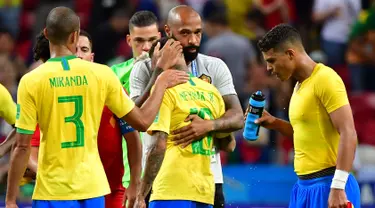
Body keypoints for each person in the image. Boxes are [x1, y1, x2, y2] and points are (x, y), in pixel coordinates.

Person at [5, 6, 188, 208]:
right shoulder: (102, 74)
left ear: (46, 34)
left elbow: (22, 146)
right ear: (75, 37)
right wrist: (160, 82)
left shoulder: (31, 81)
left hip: (52, 190)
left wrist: (11, 199)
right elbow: (143, 122)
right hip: (93, 188)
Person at [130, 5, 243, 208]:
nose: (193, 41)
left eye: (198, 33)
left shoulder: (214, 67)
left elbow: (237, 117)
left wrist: (209, 126)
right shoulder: (144, 68)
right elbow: (131, 116)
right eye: (185, 33)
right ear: (167, 31)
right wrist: (158, 74)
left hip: (202, 180)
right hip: (164, 179)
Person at [26, 29, 143, 208]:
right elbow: (30, 151)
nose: (79, 55)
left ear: (92, 57)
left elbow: (133, 137)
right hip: (65, 192)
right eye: (75, 50)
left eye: (84, 50)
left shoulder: (109, 86)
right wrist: (53, 177)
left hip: (111, 189)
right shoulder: (48, 94)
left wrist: (135, 182)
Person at [255, 24, 360, 208]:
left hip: (330, 185)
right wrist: (275, 123)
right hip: (303, 188)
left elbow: (348, 133)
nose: (268, 68)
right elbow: (306, 135)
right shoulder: (299, 86)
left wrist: (337, 187)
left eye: (271, 60)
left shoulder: (326, 79)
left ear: (290, 54)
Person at [110, 12, 160, 203]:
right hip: (127, 174)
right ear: (129, 40)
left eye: (152, 40)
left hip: (167, 174)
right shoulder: (113, 74)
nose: (146, 47)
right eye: (139, 41)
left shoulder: (175, 74)